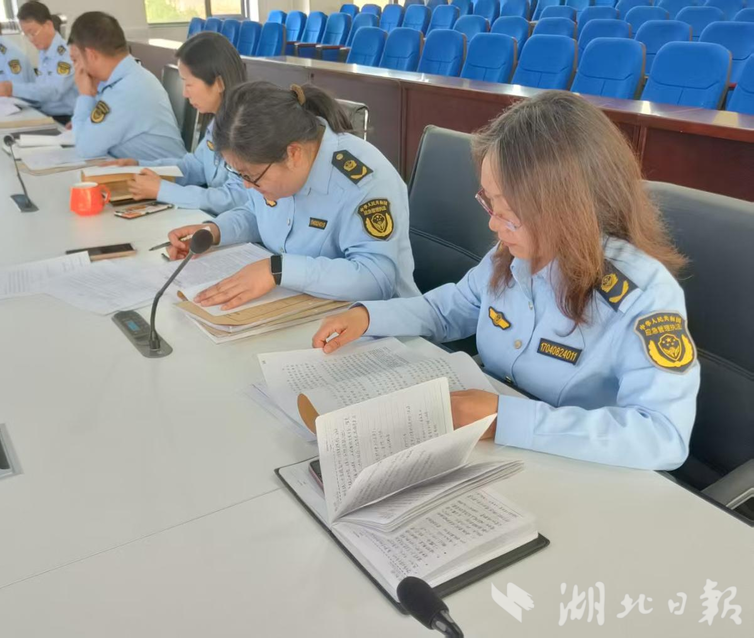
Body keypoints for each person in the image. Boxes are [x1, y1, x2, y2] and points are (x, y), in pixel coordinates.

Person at [312, 91, 700, 472]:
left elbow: (663, 435)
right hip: (493, 453)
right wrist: (368, 317)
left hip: (576, 470)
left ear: (571, 206)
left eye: (510, 210)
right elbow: (448, 311)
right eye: (490, 203)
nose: (494, 225)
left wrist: (506, 419)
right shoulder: (515, 253)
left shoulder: (642, 295)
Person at [164, 81, 418, 311]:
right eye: (240, 174)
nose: (247, 186)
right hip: (302, 311)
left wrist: (277, 270)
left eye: (251, 176)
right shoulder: (275, 163)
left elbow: (376, 279)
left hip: (378, 325)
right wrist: (215, 231)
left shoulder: (364, 181)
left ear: (293, 154)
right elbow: (256, 213)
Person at [105, 32, 248, 215]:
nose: (184, 94)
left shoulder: (245, 128)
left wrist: (163, 190)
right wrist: (140, 166)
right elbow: (194, 166)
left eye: (189, 84)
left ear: (218, 83)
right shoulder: (217, 121)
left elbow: (234, 198)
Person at [67, 11, 186, 160]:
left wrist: (85, 96)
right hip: (144, 170)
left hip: (164, 173)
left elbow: (85, 148)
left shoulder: (126, 90)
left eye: (76, 60)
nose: (75, 68)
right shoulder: (124, 78)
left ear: (91, 55)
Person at [0, 1, 78, 123]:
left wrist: (14, 89)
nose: (31, 39)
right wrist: (14, 94)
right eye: (26, 35)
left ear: (48, 25)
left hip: (64, 119)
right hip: (45, 112)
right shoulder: (44, 51)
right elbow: (41, 88)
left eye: (33, 33)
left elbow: (54, 91)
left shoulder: (66, 54)